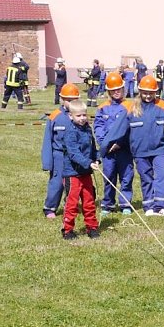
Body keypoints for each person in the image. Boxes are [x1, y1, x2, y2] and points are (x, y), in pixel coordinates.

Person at [100, 75, 164, 216]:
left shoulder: (163, 105)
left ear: (155, 92)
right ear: (139, 91)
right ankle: (149, 207)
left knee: (163, 174)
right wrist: (105, 147)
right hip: (140, 152)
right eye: (144, 92)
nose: (147, 95)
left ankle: (161, 205)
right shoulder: (132, 107)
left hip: (160, 150)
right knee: (146, 178)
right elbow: (119, 129)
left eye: (151, 92)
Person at [93, 72, 134, 215]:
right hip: (108, 152)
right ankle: (108, 204)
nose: (117, 92)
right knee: (109, 177)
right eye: (113, 90)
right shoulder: (102, 107)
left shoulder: (130, 106)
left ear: (123, 89)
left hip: (124, 149)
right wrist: (104, 143)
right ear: (109, 91)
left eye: (119, 89)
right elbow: (98, 127)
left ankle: (125, 204)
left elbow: (130, 128)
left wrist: (120, 143)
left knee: (126, 177)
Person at [60, 100, 101, 240]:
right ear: (71, 116)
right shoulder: (70, 132)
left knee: (89, 201)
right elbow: (73, 153)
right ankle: (67, 229)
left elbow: (92, 148)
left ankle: (92, 227)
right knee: (72, 203)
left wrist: (96, 158)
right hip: (73, 174)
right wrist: (88, 163)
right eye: (78, 116)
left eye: (84, 115)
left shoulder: (88, 129)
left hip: (86, 173)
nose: (82, 118)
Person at [41, 83, 81, 217]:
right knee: (57, 183)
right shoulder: (55, 116)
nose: (70, 103)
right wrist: (47, 162)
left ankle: (70, 206)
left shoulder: (79, 116)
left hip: (74, 156)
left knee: (74, 184)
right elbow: (48, 140)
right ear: (62, 99)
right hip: (59, 156)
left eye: (74, 100)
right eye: (68, 100)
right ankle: (50, 207)